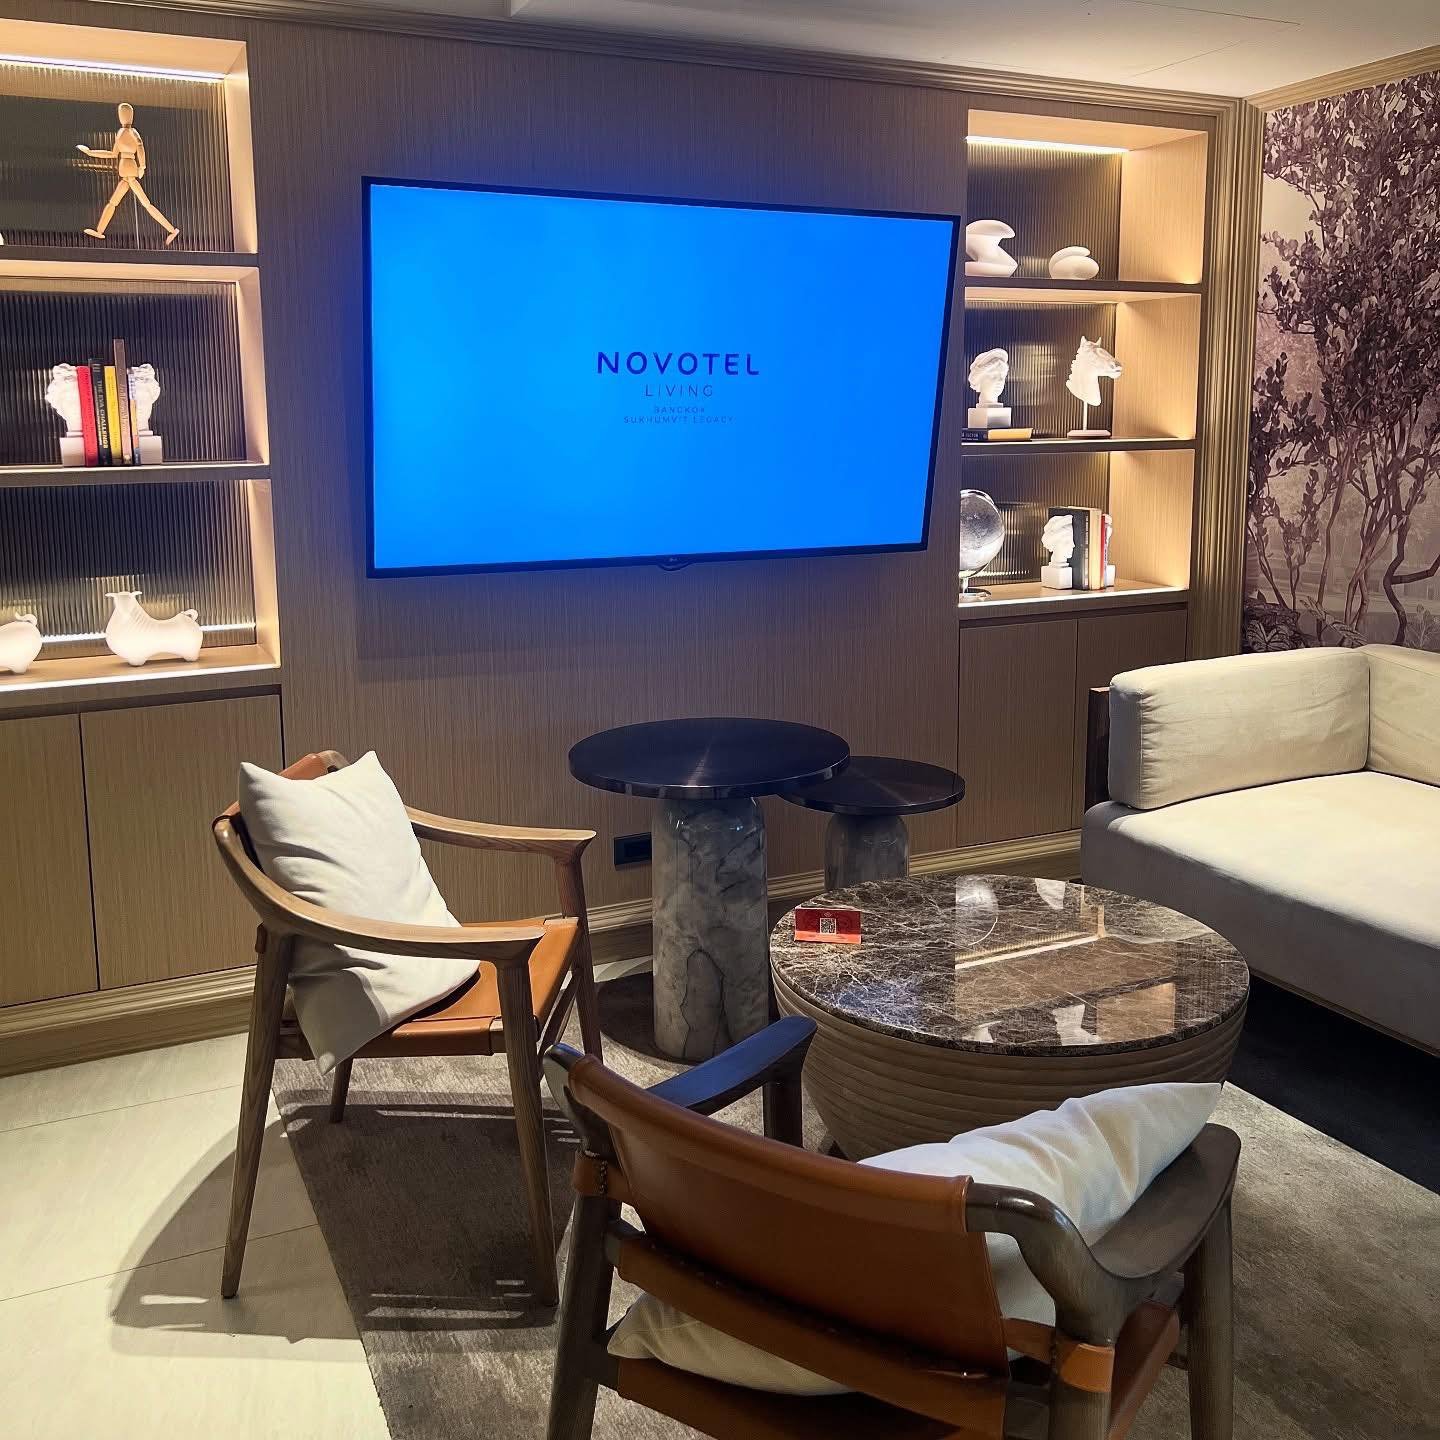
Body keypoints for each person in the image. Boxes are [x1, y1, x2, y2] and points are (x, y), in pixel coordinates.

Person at [77, 102, 180, 245]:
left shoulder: (132, 132)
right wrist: (90, 152)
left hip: (130, 171)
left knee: (146, 204)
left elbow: (140, 147)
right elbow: (113, 154)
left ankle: (171, 230)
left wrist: (142, 166)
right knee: (114, 202)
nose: (122, 116)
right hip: (125, 172)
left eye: (123, 114)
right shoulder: (120, 133)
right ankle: (99, 231)